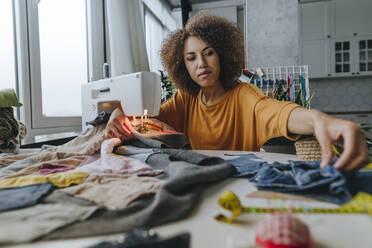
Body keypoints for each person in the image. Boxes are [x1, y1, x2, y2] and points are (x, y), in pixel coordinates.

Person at [106, 13, 369, 171]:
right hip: (199, 181)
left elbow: (279, 112)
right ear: (182, 65)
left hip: (240, 180)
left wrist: (320, 120)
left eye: (209, 53)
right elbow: (148, 122)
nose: (202, 63)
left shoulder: (244, 95)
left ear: (222, 55)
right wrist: (119, 115)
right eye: (191, 58)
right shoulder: (185, 100)